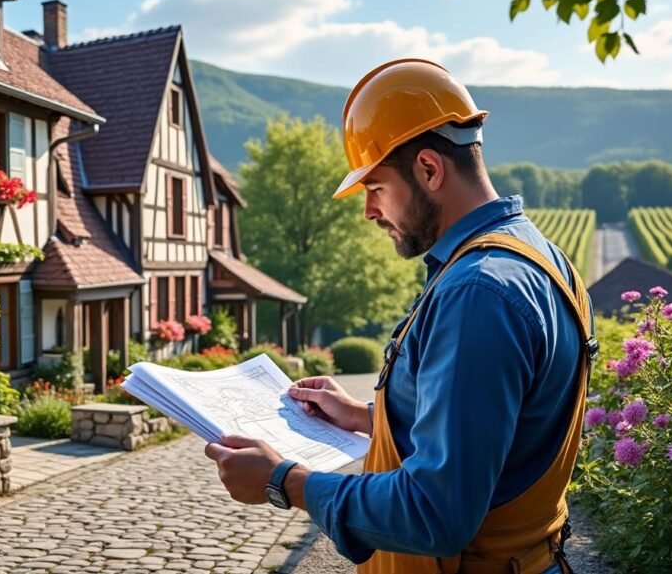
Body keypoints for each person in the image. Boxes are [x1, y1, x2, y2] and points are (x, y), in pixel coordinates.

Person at [203, 59, 596, 574]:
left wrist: (284, 481)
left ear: (430, 170)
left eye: (375, 188)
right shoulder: (539, 257)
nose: (368, 211)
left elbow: (436, 513)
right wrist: (370, 419)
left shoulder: (476, 292)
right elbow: (496, 431)